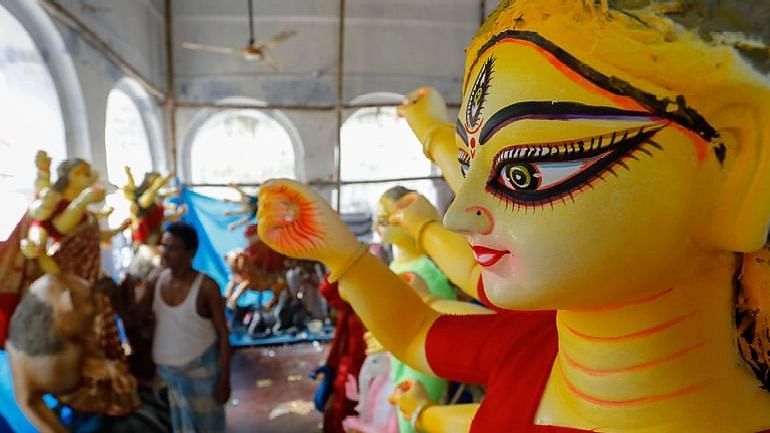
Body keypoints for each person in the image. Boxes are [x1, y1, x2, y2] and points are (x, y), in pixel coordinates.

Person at [255, 0, 770, 431]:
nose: (457, 214)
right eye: (465, 162)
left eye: (526, 173)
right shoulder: (533, 347)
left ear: (739, 169)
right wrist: (337, 251)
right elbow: (414, 332)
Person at [151, 222, 231, 433]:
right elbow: (139, 320)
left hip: (202, 378)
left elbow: (223, 335)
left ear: (191, 252)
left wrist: (224, 379)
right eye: (164, 246)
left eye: (173, 248)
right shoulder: (156, 281)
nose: (166, 253)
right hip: (166, 379)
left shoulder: (207, 287)